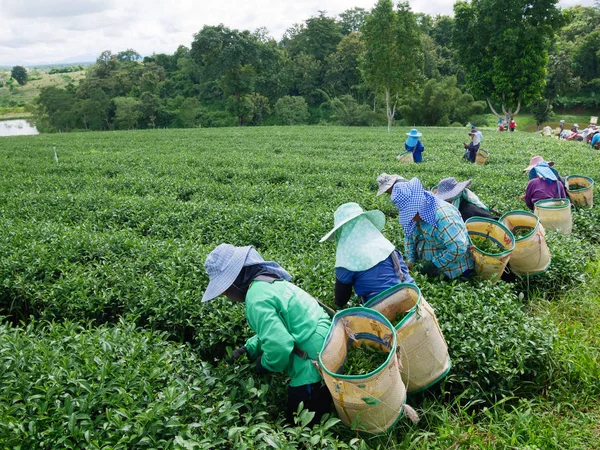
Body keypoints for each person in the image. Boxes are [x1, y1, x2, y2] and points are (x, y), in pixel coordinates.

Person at [202, 244, 332, 425]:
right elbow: (279, 326)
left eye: (224, 290)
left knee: (298, 425)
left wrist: (264, 364)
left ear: (234, 282)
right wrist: (249, 348)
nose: (226, 296)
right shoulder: (268, 280)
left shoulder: (255, 298)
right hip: (329, 341)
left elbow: (279, 344)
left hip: (313, 363)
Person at [320, 202, 415, 308]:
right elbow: (404, 273)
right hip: (413, 296)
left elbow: (341, 300)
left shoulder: (347, 260)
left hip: (383, 308)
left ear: (341, 232)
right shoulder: (385, 245)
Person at [383, 177, 473, 279]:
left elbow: (458, 248)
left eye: (411, 212)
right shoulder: (415, 217)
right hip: (429, 271)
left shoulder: (443, 216)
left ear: (419, 205)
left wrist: (434, 264)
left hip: (454, 272)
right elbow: (409, 237)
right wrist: (411, 260)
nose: (411, 218)